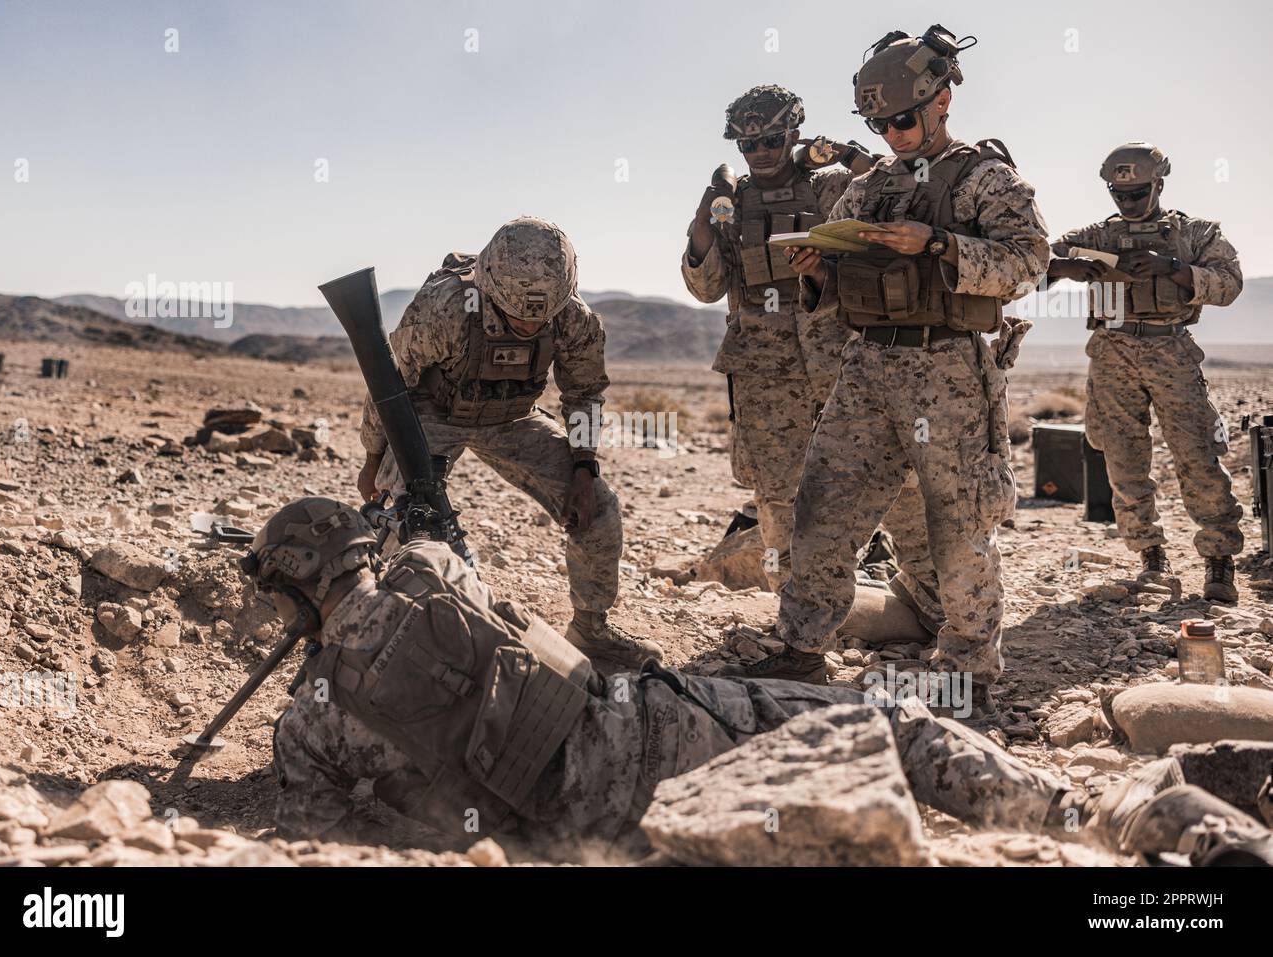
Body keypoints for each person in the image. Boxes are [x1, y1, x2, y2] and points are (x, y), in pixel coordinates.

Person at [248, 497, 1272, 866]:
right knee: (896, 726)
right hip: (652, 724)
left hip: (578, 825)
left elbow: (327, 828)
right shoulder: (436, 574)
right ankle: (1119, 814)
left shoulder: (308, 725)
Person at [736, 25, 1048, 712]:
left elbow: (1028, 262)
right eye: (879, 124)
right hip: (868, 366)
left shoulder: (983, 180)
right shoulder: (870, 185)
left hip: (949, 371)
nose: (893, 135)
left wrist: (938, 242)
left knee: (958, 521)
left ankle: (971, 668)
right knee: (824, 503)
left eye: (903, 119)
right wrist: (819, 268)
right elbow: (837, 265)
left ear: (942, 101)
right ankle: (803, 646)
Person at [682, 84, 942, 646]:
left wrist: (844, 157)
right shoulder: (731, 203)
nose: (760, 151)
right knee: (779, 500)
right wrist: (707, 208)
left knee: (894, 484)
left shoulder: (832, 187)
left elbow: (894, 199)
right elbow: (704, 286)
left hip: (845, 365)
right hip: (765, 378)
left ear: (795, 133)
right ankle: (798, 623)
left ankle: (934, 604)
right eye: (747, 143)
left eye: (772, 139)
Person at [357, 217, 660, 666]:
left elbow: (584, 394)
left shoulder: (574, 321)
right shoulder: (446, 307)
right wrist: (373, 456)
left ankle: (590, 631)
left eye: (539, 316)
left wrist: (583, 467)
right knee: (401, 518)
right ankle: (384, 626)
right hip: (430, 415)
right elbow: (390, 381)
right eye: (515, 314)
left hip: (511, 419)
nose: (526, 324)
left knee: (599, 507)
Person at [1047, 143, 1244, 601]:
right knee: (1123, 458)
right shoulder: (1094, 235)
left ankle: (1219, 557)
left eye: (1136, 193)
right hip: (1112, 351)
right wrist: (1066, 267)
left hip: (1170, 348)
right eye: (1119, 194)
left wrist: (1173, 268)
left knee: (1197, 453)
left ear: (1158, 184)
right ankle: (1149, 553)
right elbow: (1028, 267)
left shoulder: (1194, 232)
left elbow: (1229, 284)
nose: (1127, 202)